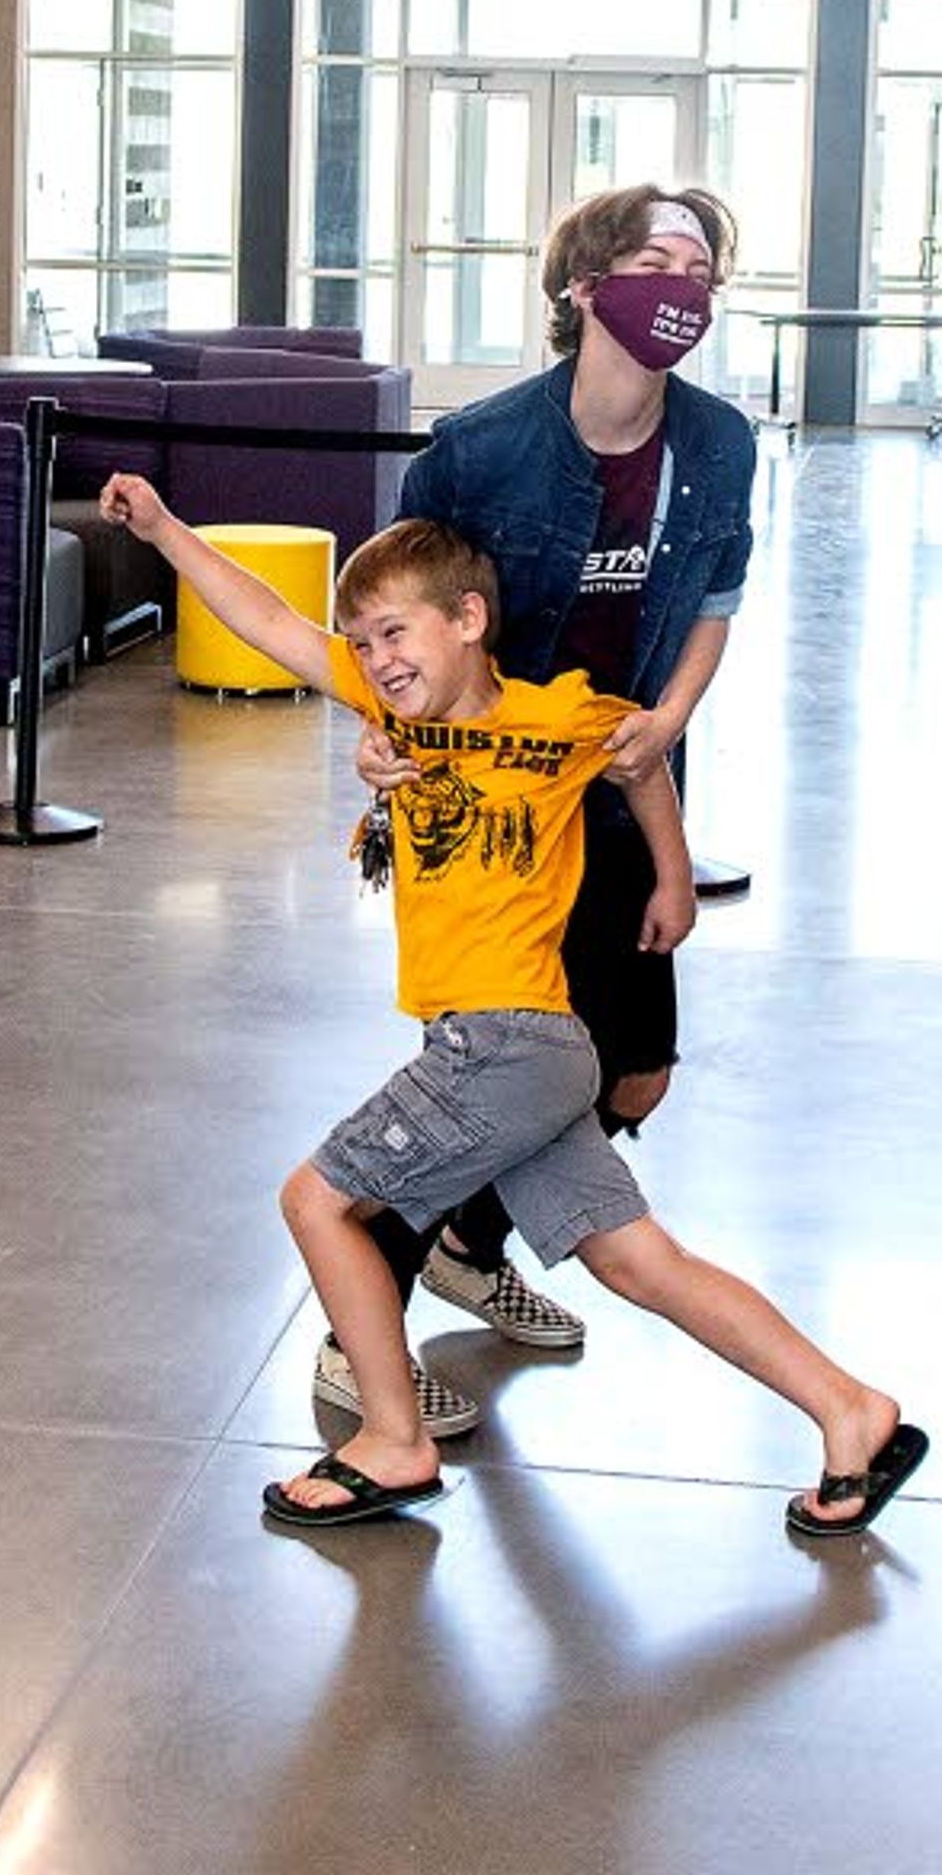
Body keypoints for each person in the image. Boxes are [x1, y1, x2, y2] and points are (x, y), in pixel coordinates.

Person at [96, 479, 924, 1536]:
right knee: (637, 1258)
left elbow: (645, 765)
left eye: (396, 630)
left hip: (503, 1044)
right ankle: (852, 1411)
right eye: (363, 639)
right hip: (533, 1053)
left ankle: (392, 1440)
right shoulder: (389, 716)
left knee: (316, 1201)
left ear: (469, 620)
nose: (379, 657)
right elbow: (267, 619)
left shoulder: (560, 716)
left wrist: (672, 879)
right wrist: (167, 528)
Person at [340, 184, 757, 1438]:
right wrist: (384, 734)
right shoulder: (480, 448)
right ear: (586, 287)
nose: (680, 281)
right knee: (495, 1076)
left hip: (622, 788)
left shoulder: (722, 440)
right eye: (652, 259)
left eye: (699, 263)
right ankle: (359, 1336)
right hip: (497, 818)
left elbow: (714, 599)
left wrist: (671, 721)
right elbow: (389, 621)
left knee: (633, 1076)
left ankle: (472, 1239)